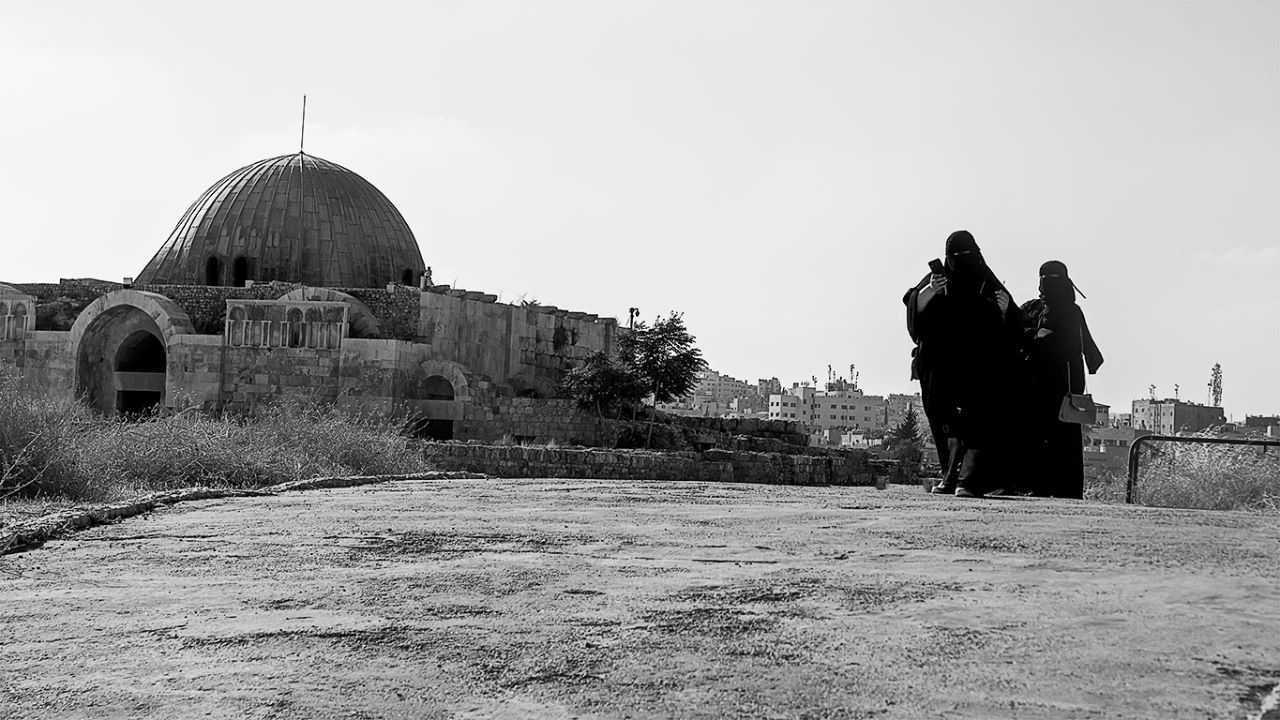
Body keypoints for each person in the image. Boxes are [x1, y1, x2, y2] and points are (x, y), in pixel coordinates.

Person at [904, 230, 1023, 497]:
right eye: (956, 257)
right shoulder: (938, 281)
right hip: (939, 367)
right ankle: (952, 476)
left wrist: (1006, 310)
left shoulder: (985, 282)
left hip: (977, 369)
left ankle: (969, 480)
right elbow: (913, 307)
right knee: (944, 423)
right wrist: (930, 291)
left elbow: (1014, 325)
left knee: (976, 424)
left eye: (966, 256)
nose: (962, 262)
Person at [1019, 260, 1104, 499]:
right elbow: (1018, 326)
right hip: (1040, 382)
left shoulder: (1070, 311)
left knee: (1064, 438)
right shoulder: (1035, 307)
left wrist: (1039, 338)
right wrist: (1035, 334)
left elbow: (1062, 345)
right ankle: (1041, 485)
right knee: (1041, 433)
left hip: (1064, 385)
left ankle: (1066, 490)